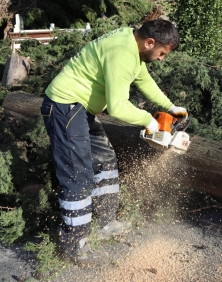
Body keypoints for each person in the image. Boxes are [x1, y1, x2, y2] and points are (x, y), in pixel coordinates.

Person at [40, 19, 187, 265]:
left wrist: (170, 107)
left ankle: (105, 223)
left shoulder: (132, 44)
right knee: (78, 173)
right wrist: (148, 121)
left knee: (105, 159)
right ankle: (75, 244)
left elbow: (144, 81)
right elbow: (118, 106)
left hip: (82, 108)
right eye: (161, 53)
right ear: (150, 42)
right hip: (65, 106)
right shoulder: (122, 52)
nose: (162, 58)